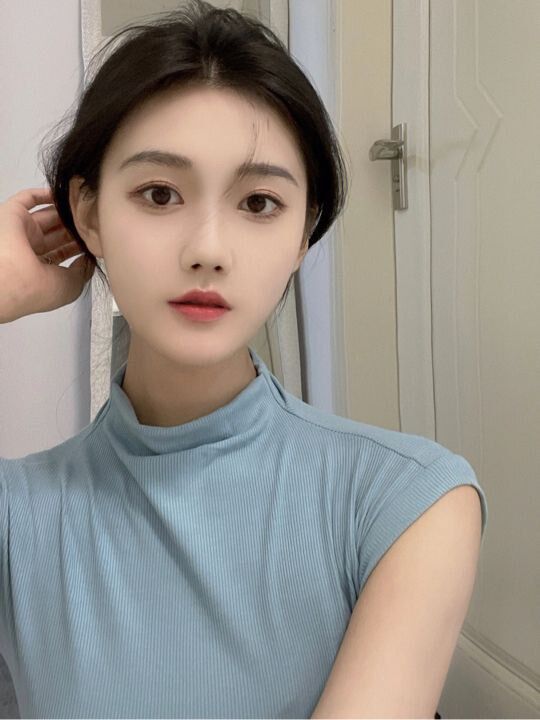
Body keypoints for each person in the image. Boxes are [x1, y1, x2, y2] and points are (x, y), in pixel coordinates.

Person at [0, 1, 487, 718]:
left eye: (259, 203)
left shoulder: (407, 500)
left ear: (302, 235)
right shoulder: (19, 517)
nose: (209, 249)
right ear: (90, 213)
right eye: (159, 193)